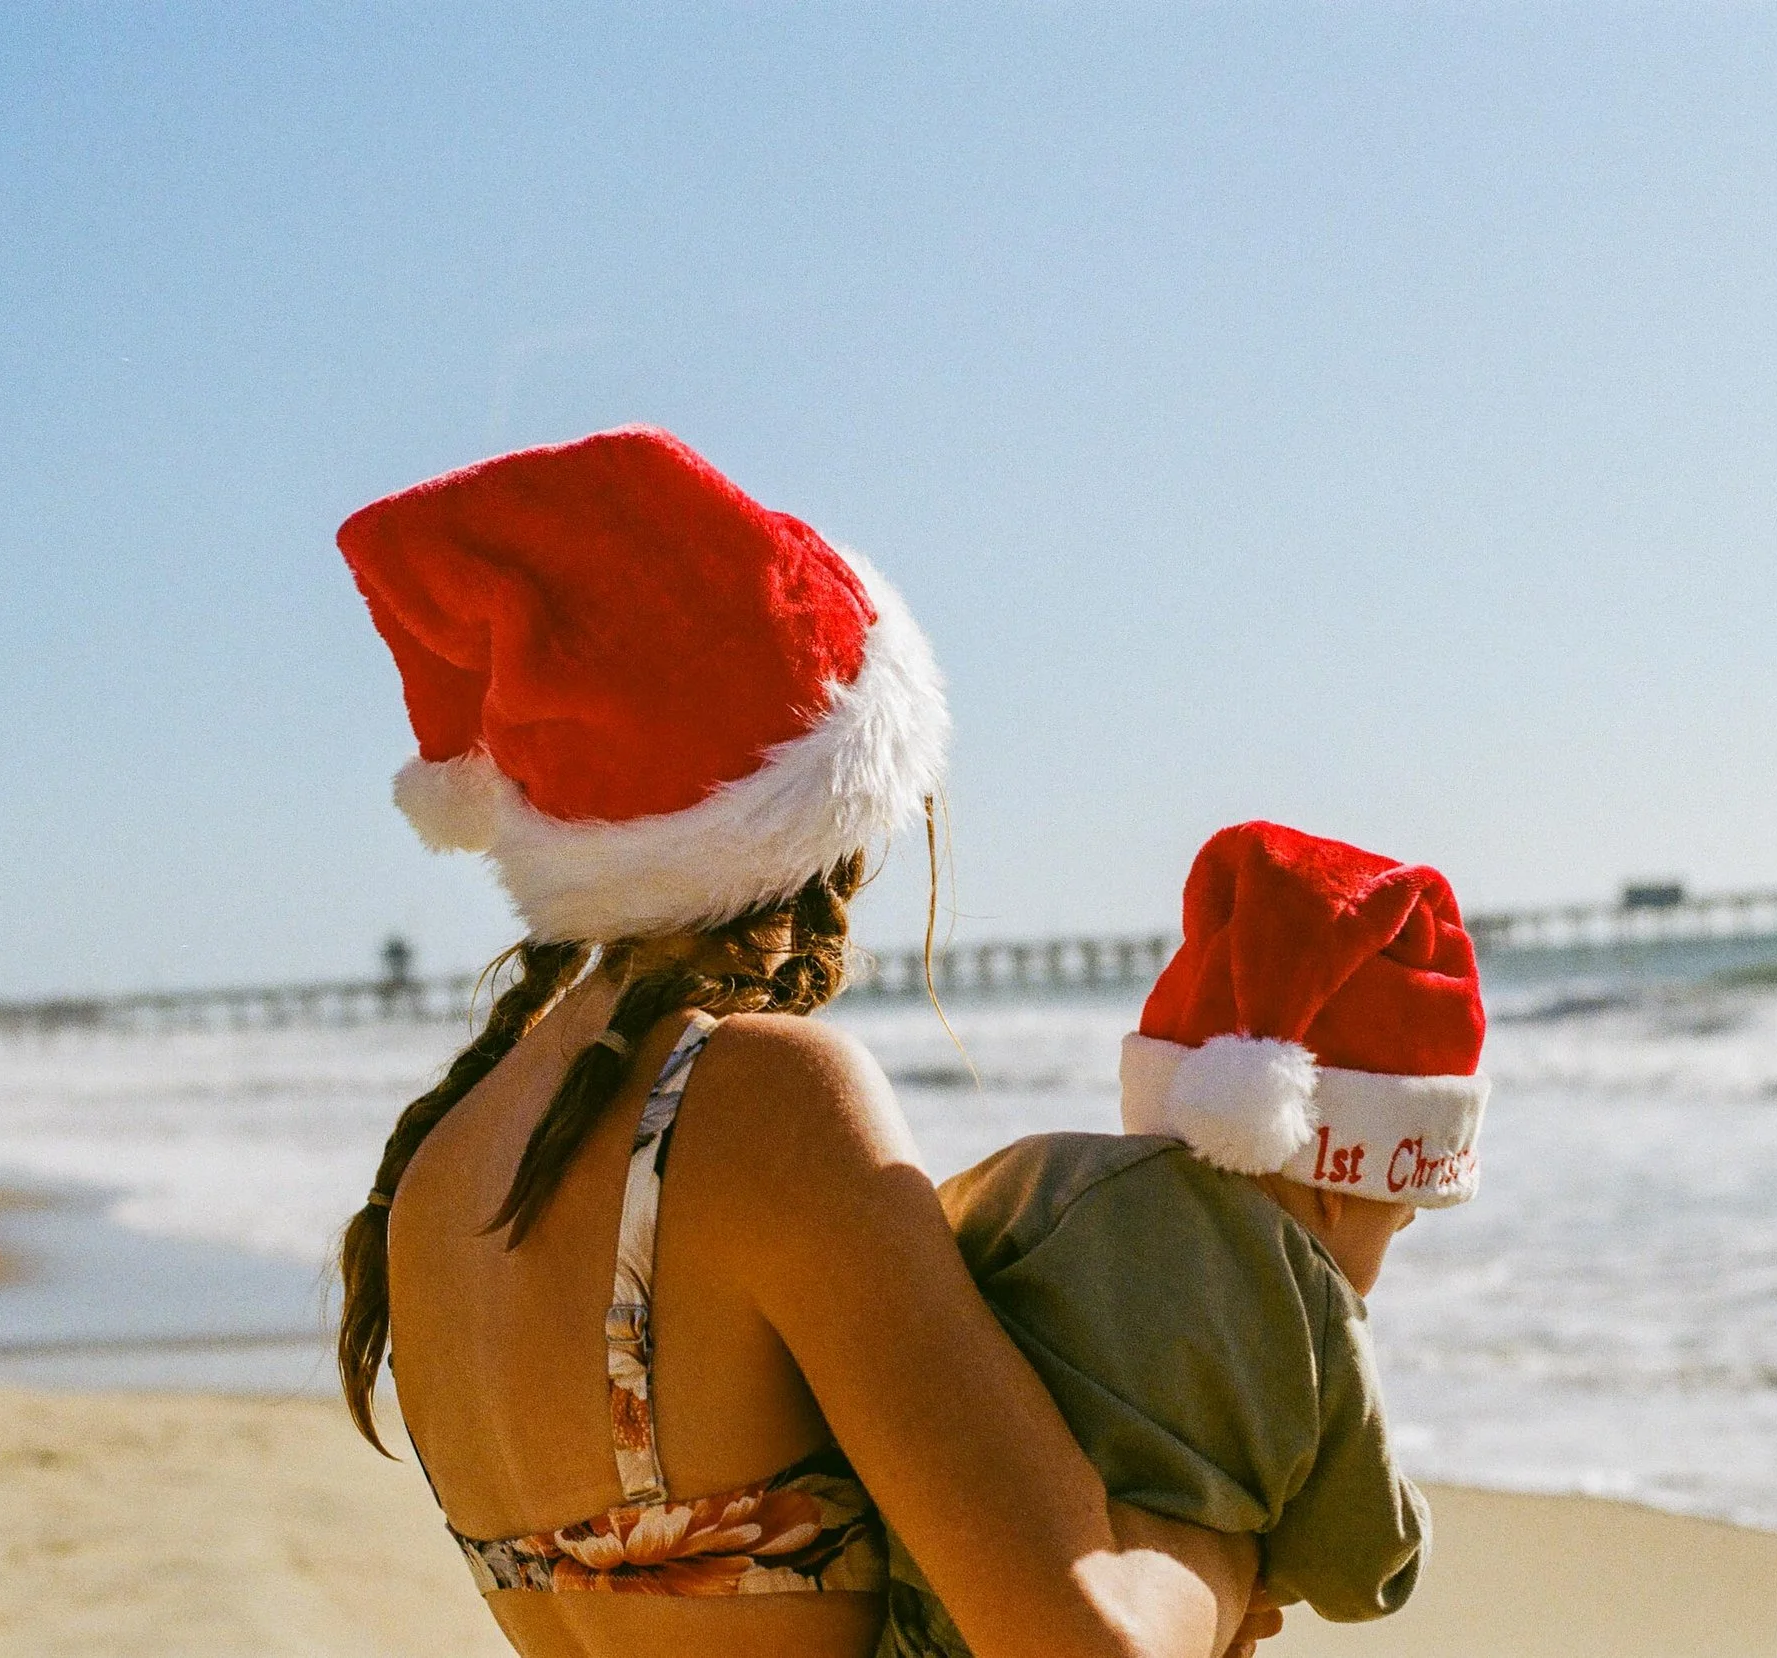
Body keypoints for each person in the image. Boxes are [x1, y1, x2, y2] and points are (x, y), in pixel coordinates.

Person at [335, 426, 1274, 1658]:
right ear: (831, 798)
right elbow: (1085, 1643)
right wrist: (1225, 1547)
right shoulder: (766, 1096)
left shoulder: (441, 1169)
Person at [882, 822, 1492, 1655]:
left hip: (928, 1605)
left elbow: (919, 1283)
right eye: (1402, 1219)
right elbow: (1360, 1564)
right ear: (1339, 1191)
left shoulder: (1036, 1177)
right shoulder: (1310, 1298)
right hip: (1131, 1609)